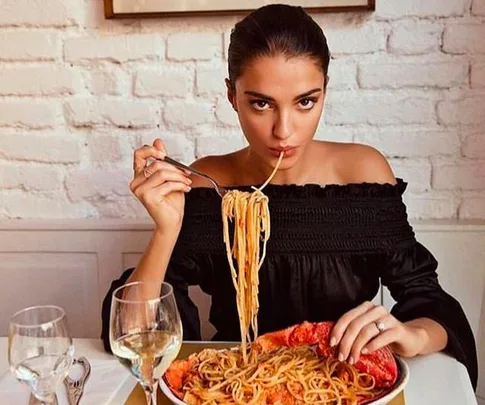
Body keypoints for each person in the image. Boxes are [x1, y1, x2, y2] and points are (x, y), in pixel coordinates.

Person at [101, 4, 478, 389]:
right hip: (234, 387)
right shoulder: (210, 181)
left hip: (345, 386)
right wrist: (165, 230)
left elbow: (429, 301)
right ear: (232, 96)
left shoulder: (362, 175)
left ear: (325, 92)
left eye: (305, 102)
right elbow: (138, 335)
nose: (284, 131)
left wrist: (410, 334)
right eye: (261, 104)